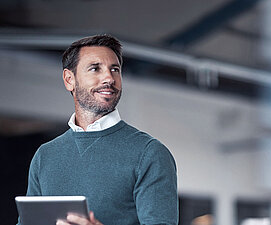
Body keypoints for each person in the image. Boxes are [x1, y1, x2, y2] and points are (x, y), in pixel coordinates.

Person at [18, 34, 178, 225]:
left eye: (115, 69)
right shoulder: (45, 156)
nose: (109, 78)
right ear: (69, 80)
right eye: (95, 69)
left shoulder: (149, 153)